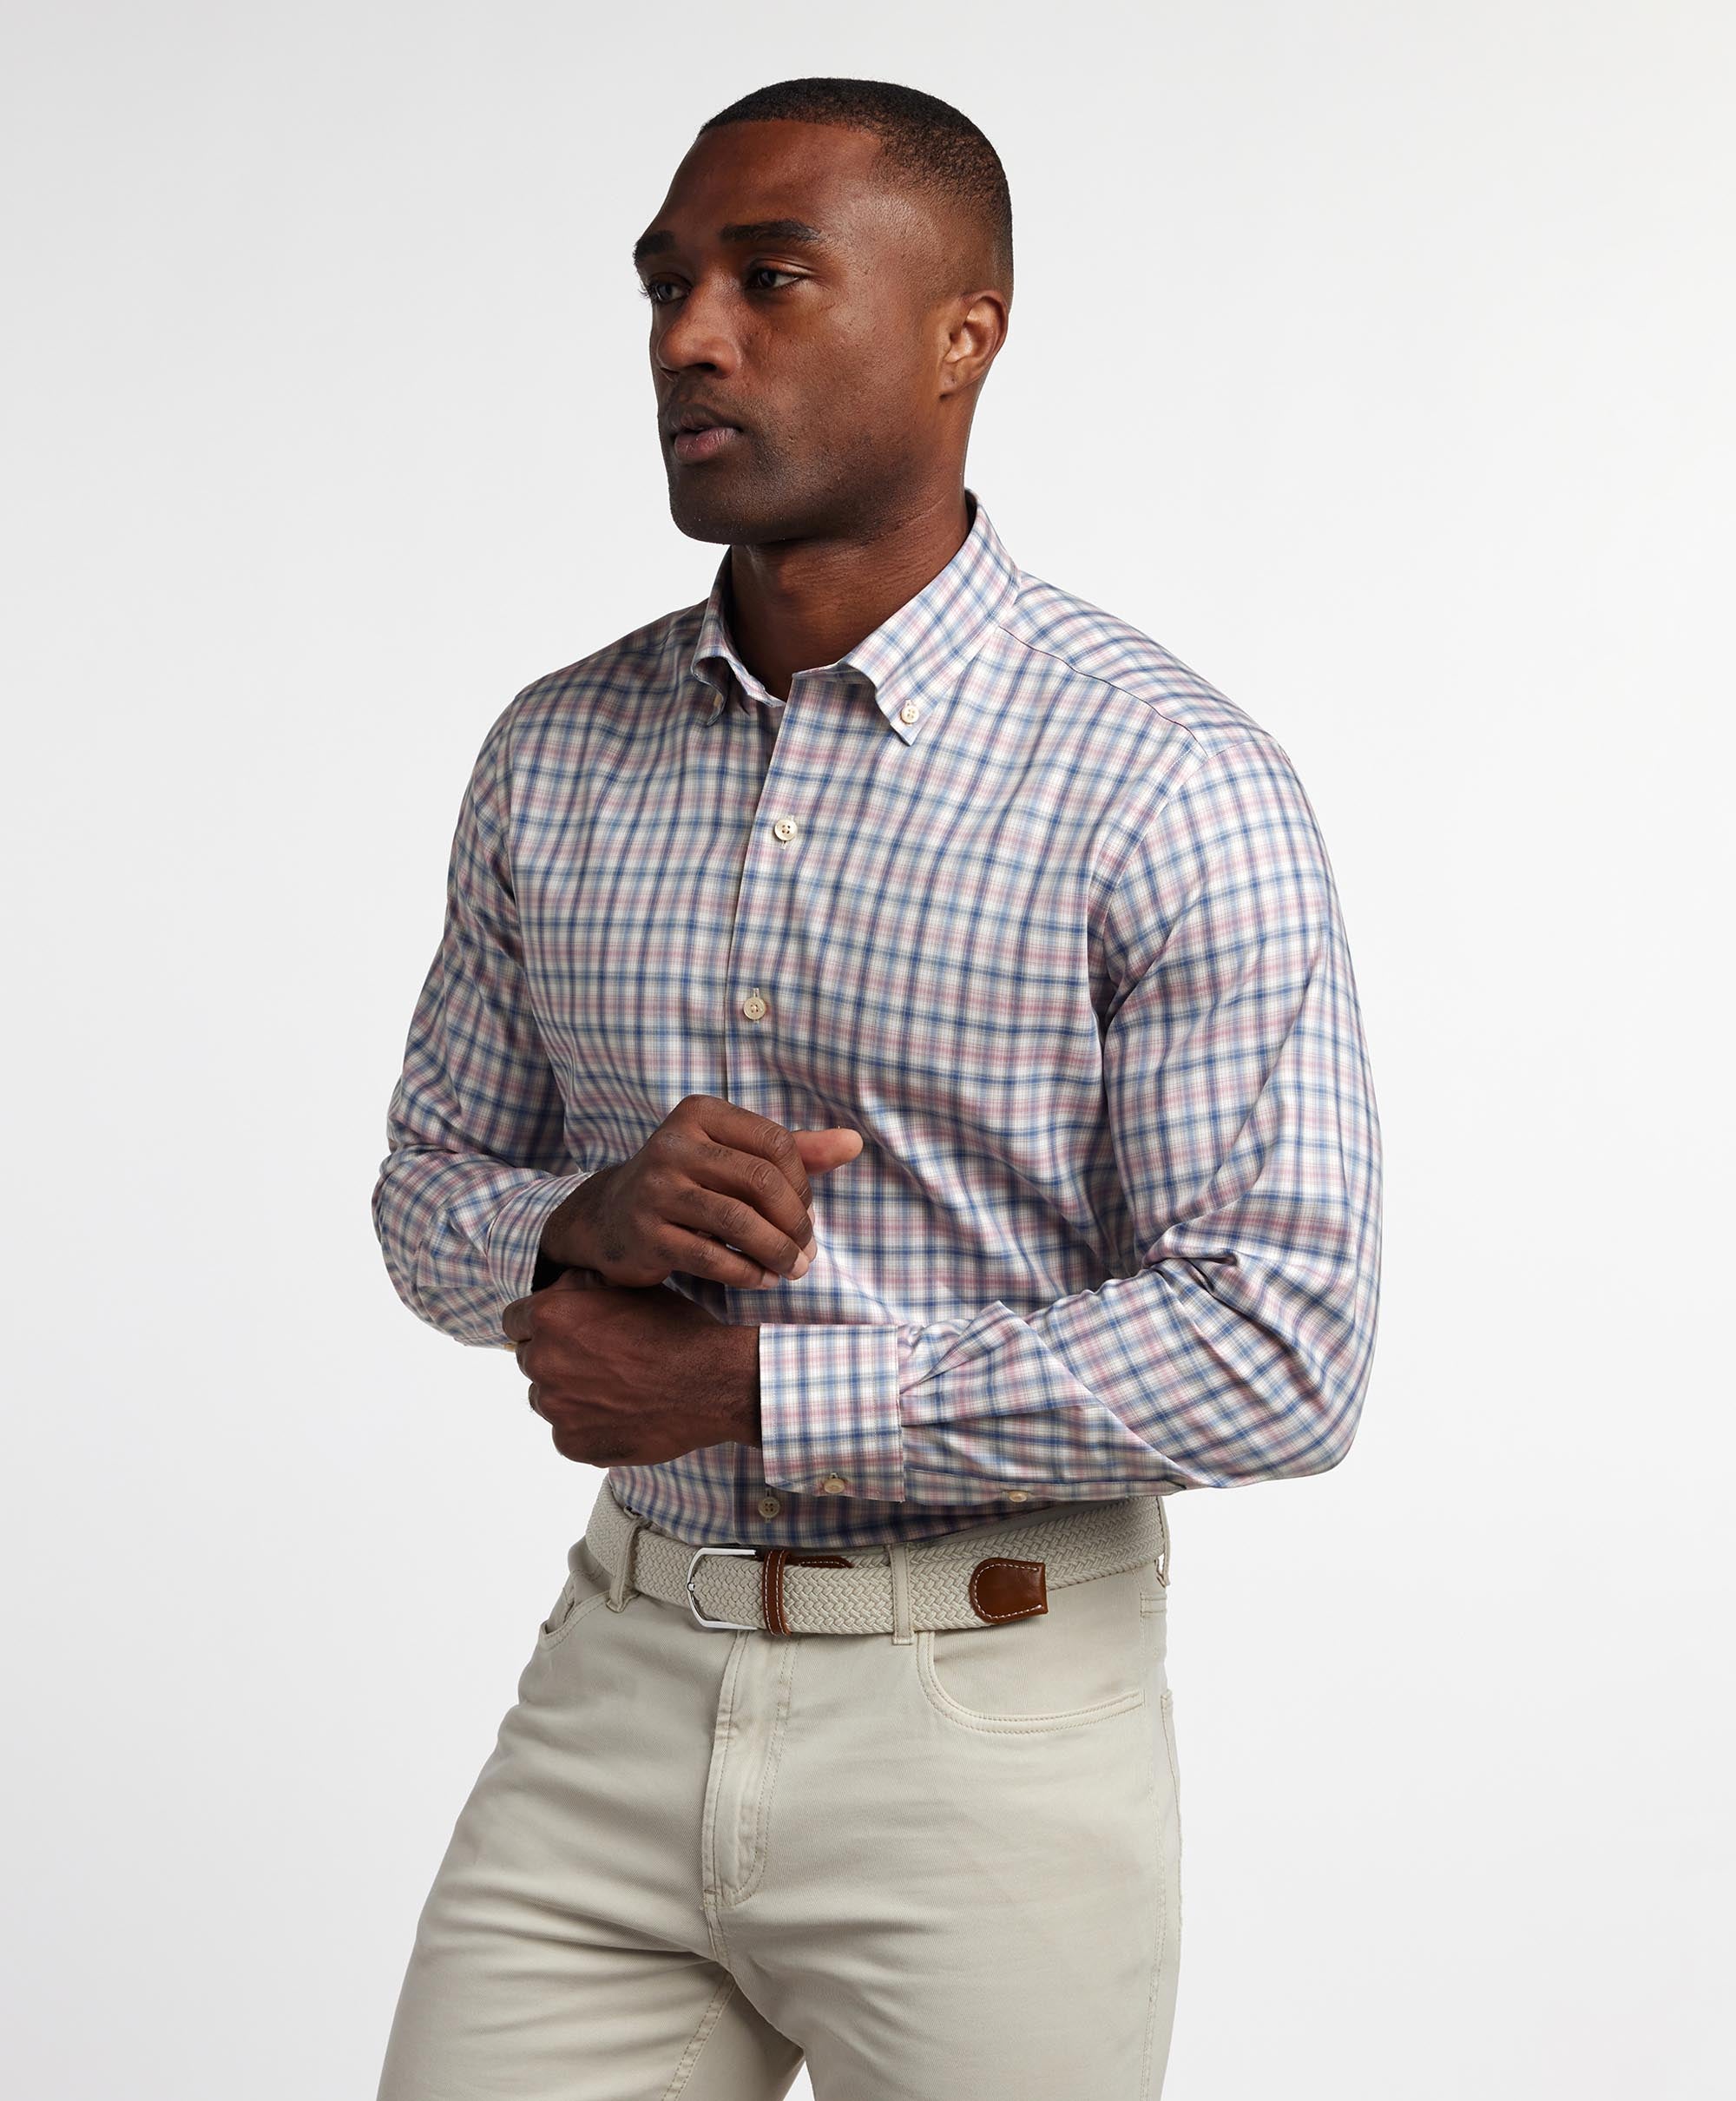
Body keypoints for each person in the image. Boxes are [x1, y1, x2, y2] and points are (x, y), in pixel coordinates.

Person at [369, 74, 1383, 2101]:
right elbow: (426, 1188)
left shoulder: (1167, 784)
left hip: (988, 1729)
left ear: (961, 332)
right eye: (665, 284)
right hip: (616, 1682)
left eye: (768, 279)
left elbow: (1282, 1345)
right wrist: (581, 1218)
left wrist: (753, 1391)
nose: (687, 337)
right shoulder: (552, 754)